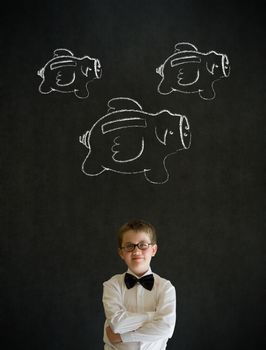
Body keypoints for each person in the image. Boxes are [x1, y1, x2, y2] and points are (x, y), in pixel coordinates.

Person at [102, 219, 176, 349]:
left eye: (143, 245)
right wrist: (153, 316)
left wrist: (122, 337)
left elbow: (165, 328)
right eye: (129, 246)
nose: (136, 251)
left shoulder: (165, 287)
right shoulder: (111, 285)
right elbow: (117, 324)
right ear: (121, 253)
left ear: (153, 250)